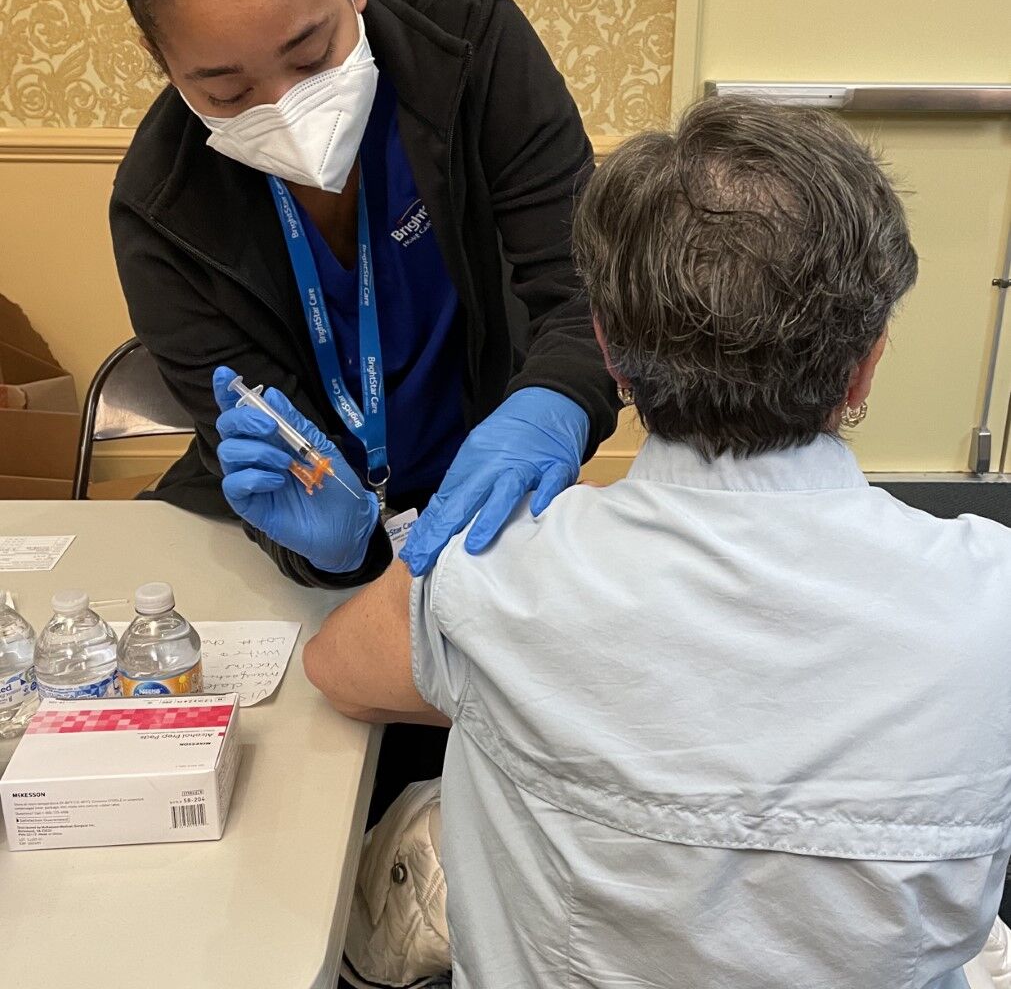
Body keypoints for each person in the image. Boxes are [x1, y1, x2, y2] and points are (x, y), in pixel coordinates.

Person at [230, 97, 1011, 985]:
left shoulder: (504, 570)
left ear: (606, 345)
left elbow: (338, 669)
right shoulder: (992, 599)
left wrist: (373, 555)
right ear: (867, 358)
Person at [82, 0, 617, 816]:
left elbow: (584, 289)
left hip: (482, 503)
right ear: (164, 67)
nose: (284, 105)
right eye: (223, 88)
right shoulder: (159, 206)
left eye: (312, 51)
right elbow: (264, 433)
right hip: (290, 564)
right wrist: (317, 542)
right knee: (298, 805)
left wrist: (555, 401)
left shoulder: (470, 41)